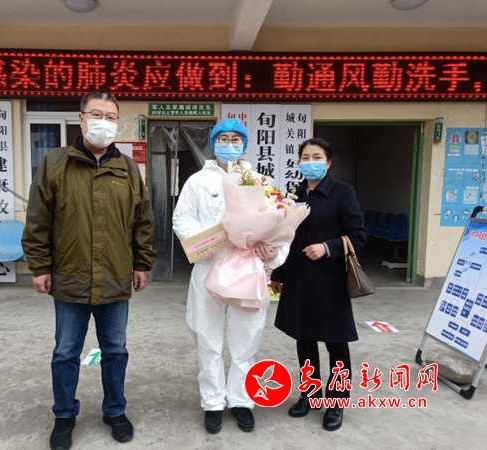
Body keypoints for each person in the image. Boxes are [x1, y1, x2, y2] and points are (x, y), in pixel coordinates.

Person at [22, 91, 156, 450]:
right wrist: (40, 266)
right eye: (97, 114)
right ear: (81, 119)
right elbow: (37, 219)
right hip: (70, 276)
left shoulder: (127, 168)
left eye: (110, 117)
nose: (104, 122)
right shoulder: (55, 163)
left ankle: (115, 410)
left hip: (115, 277)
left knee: (116, 350)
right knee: (66, 352)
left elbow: (143, 221)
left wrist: (142, 262)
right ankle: (64, 415)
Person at [173, 118, 289, 434]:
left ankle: (241, 400)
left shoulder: (259, 182)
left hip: (248, 269)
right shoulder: (198, 181)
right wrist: (201, 244)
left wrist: (271, 253)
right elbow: (182, 219)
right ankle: (212, 402)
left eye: (236, 139)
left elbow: (279, 225)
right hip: (209, 268)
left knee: (246, 338)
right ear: (213, 143)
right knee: (208, 338)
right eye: (223, 138)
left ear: (244, 144)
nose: (229, 144)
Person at [270, 137, 366, 432]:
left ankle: (336, 402)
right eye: (305, 157)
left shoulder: (343, 193)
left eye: (316, 157)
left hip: (330, 282)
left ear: (328, 162)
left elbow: (359, 235)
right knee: (304, 340)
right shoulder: (294, 194)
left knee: (336, 344)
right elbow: (285, 238)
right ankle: (310, 395)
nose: (310, 162)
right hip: (299, 281)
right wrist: (278, 274)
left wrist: (327, 247)